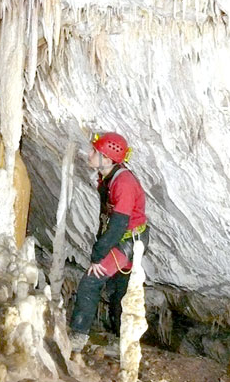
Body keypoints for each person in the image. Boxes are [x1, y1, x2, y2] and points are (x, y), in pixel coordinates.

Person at [69, 131, 149, 353]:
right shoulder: (108, 177)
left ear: (107, 158)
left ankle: (78, 336)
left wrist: (98, 255)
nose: (90, 153)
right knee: (119, 290)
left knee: (90, 281)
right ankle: (122, 340)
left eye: (96, 151)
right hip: (127, 237)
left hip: (128, 240)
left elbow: (118, 224)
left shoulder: (123, 182)